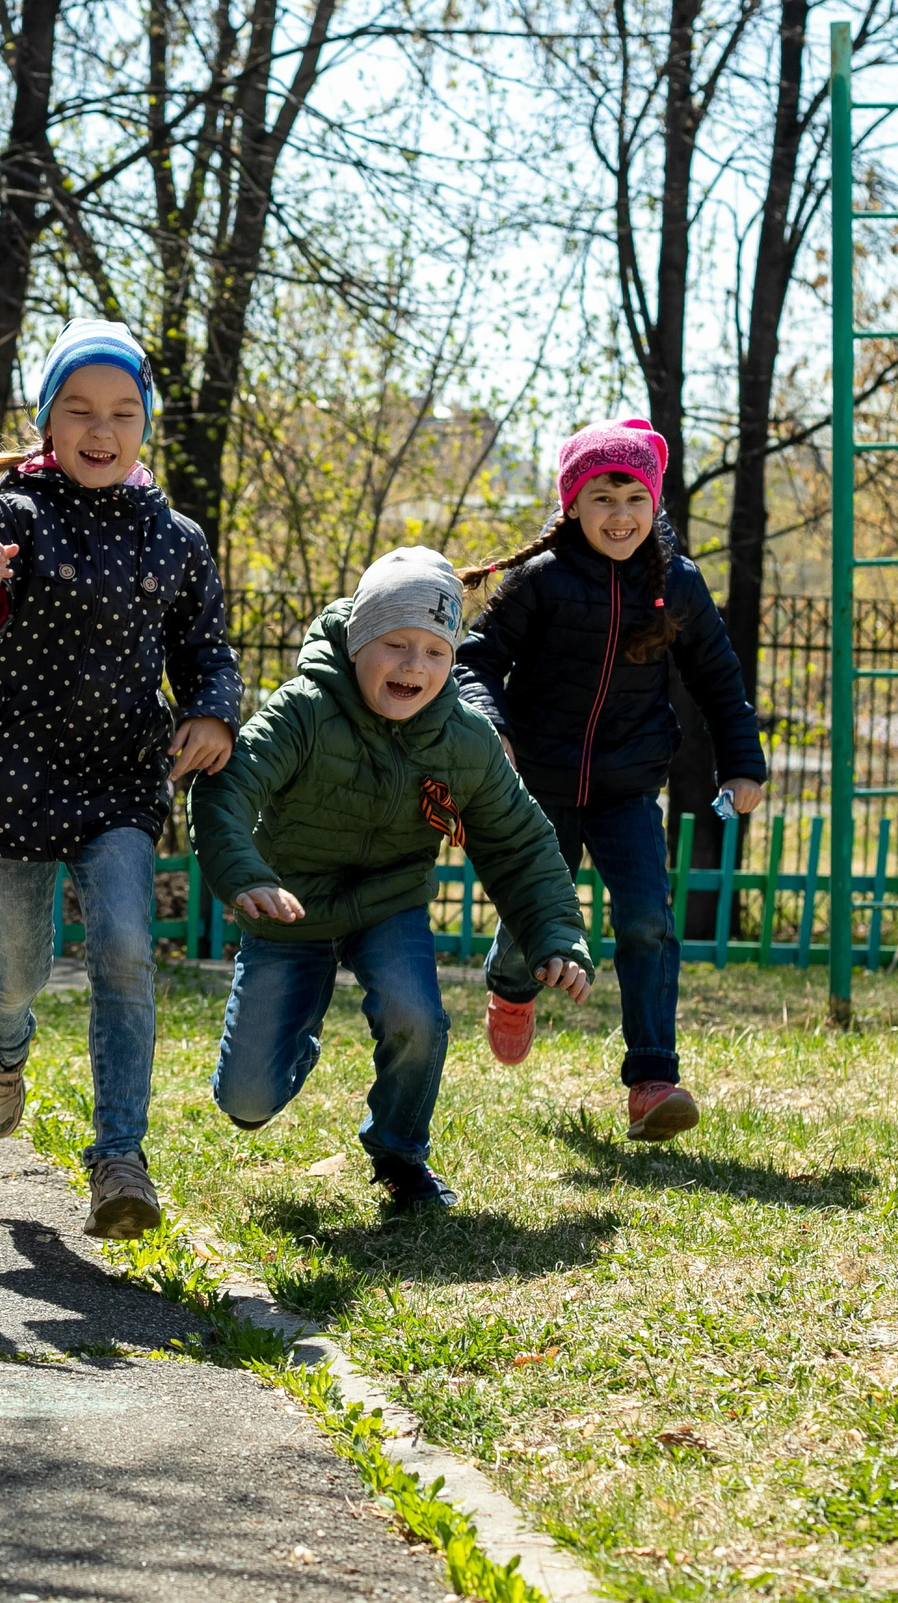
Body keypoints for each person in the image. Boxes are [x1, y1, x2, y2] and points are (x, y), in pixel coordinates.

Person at [0, 318, 243, 1241]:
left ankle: (118, 1158)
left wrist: (213, 710)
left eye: (122, 412)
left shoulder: (174, 536)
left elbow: (205, 646)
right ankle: (2, 1043)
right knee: (20, 967)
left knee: (126, 949)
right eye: (79, 410)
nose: (101, 429)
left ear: (145, 424)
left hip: (119, 776)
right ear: (49, 422)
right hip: (14, 771)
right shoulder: (13, 514)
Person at [190, 547, 593, 1211]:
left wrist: (555, 934)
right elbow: (229, 786)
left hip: (389, 903)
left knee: (417, 1016)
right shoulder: (303, 711)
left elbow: (520, 841)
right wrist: (244, 876)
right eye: (396, 644)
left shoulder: (463, 739)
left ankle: (401, 1154)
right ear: (357, 641)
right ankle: (292, 1033)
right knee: (246, 1100)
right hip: (291, 904)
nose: (415, 666)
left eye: (436, 652)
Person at [456, 417, 767, 1142]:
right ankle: (509, 987)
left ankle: (653, 1078)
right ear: (573, 505)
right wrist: (489, 723)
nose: (620, 515)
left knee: (648, 922)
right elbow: (477, 659)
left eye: (634, 498)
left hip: (629, 785)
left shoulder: (676, 587)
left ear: (653, 504)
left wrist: (743, 762)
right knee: (534, 922)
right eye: (602, 497)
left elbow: (719, 680)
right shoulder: (542, 581)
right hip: (538, 784)